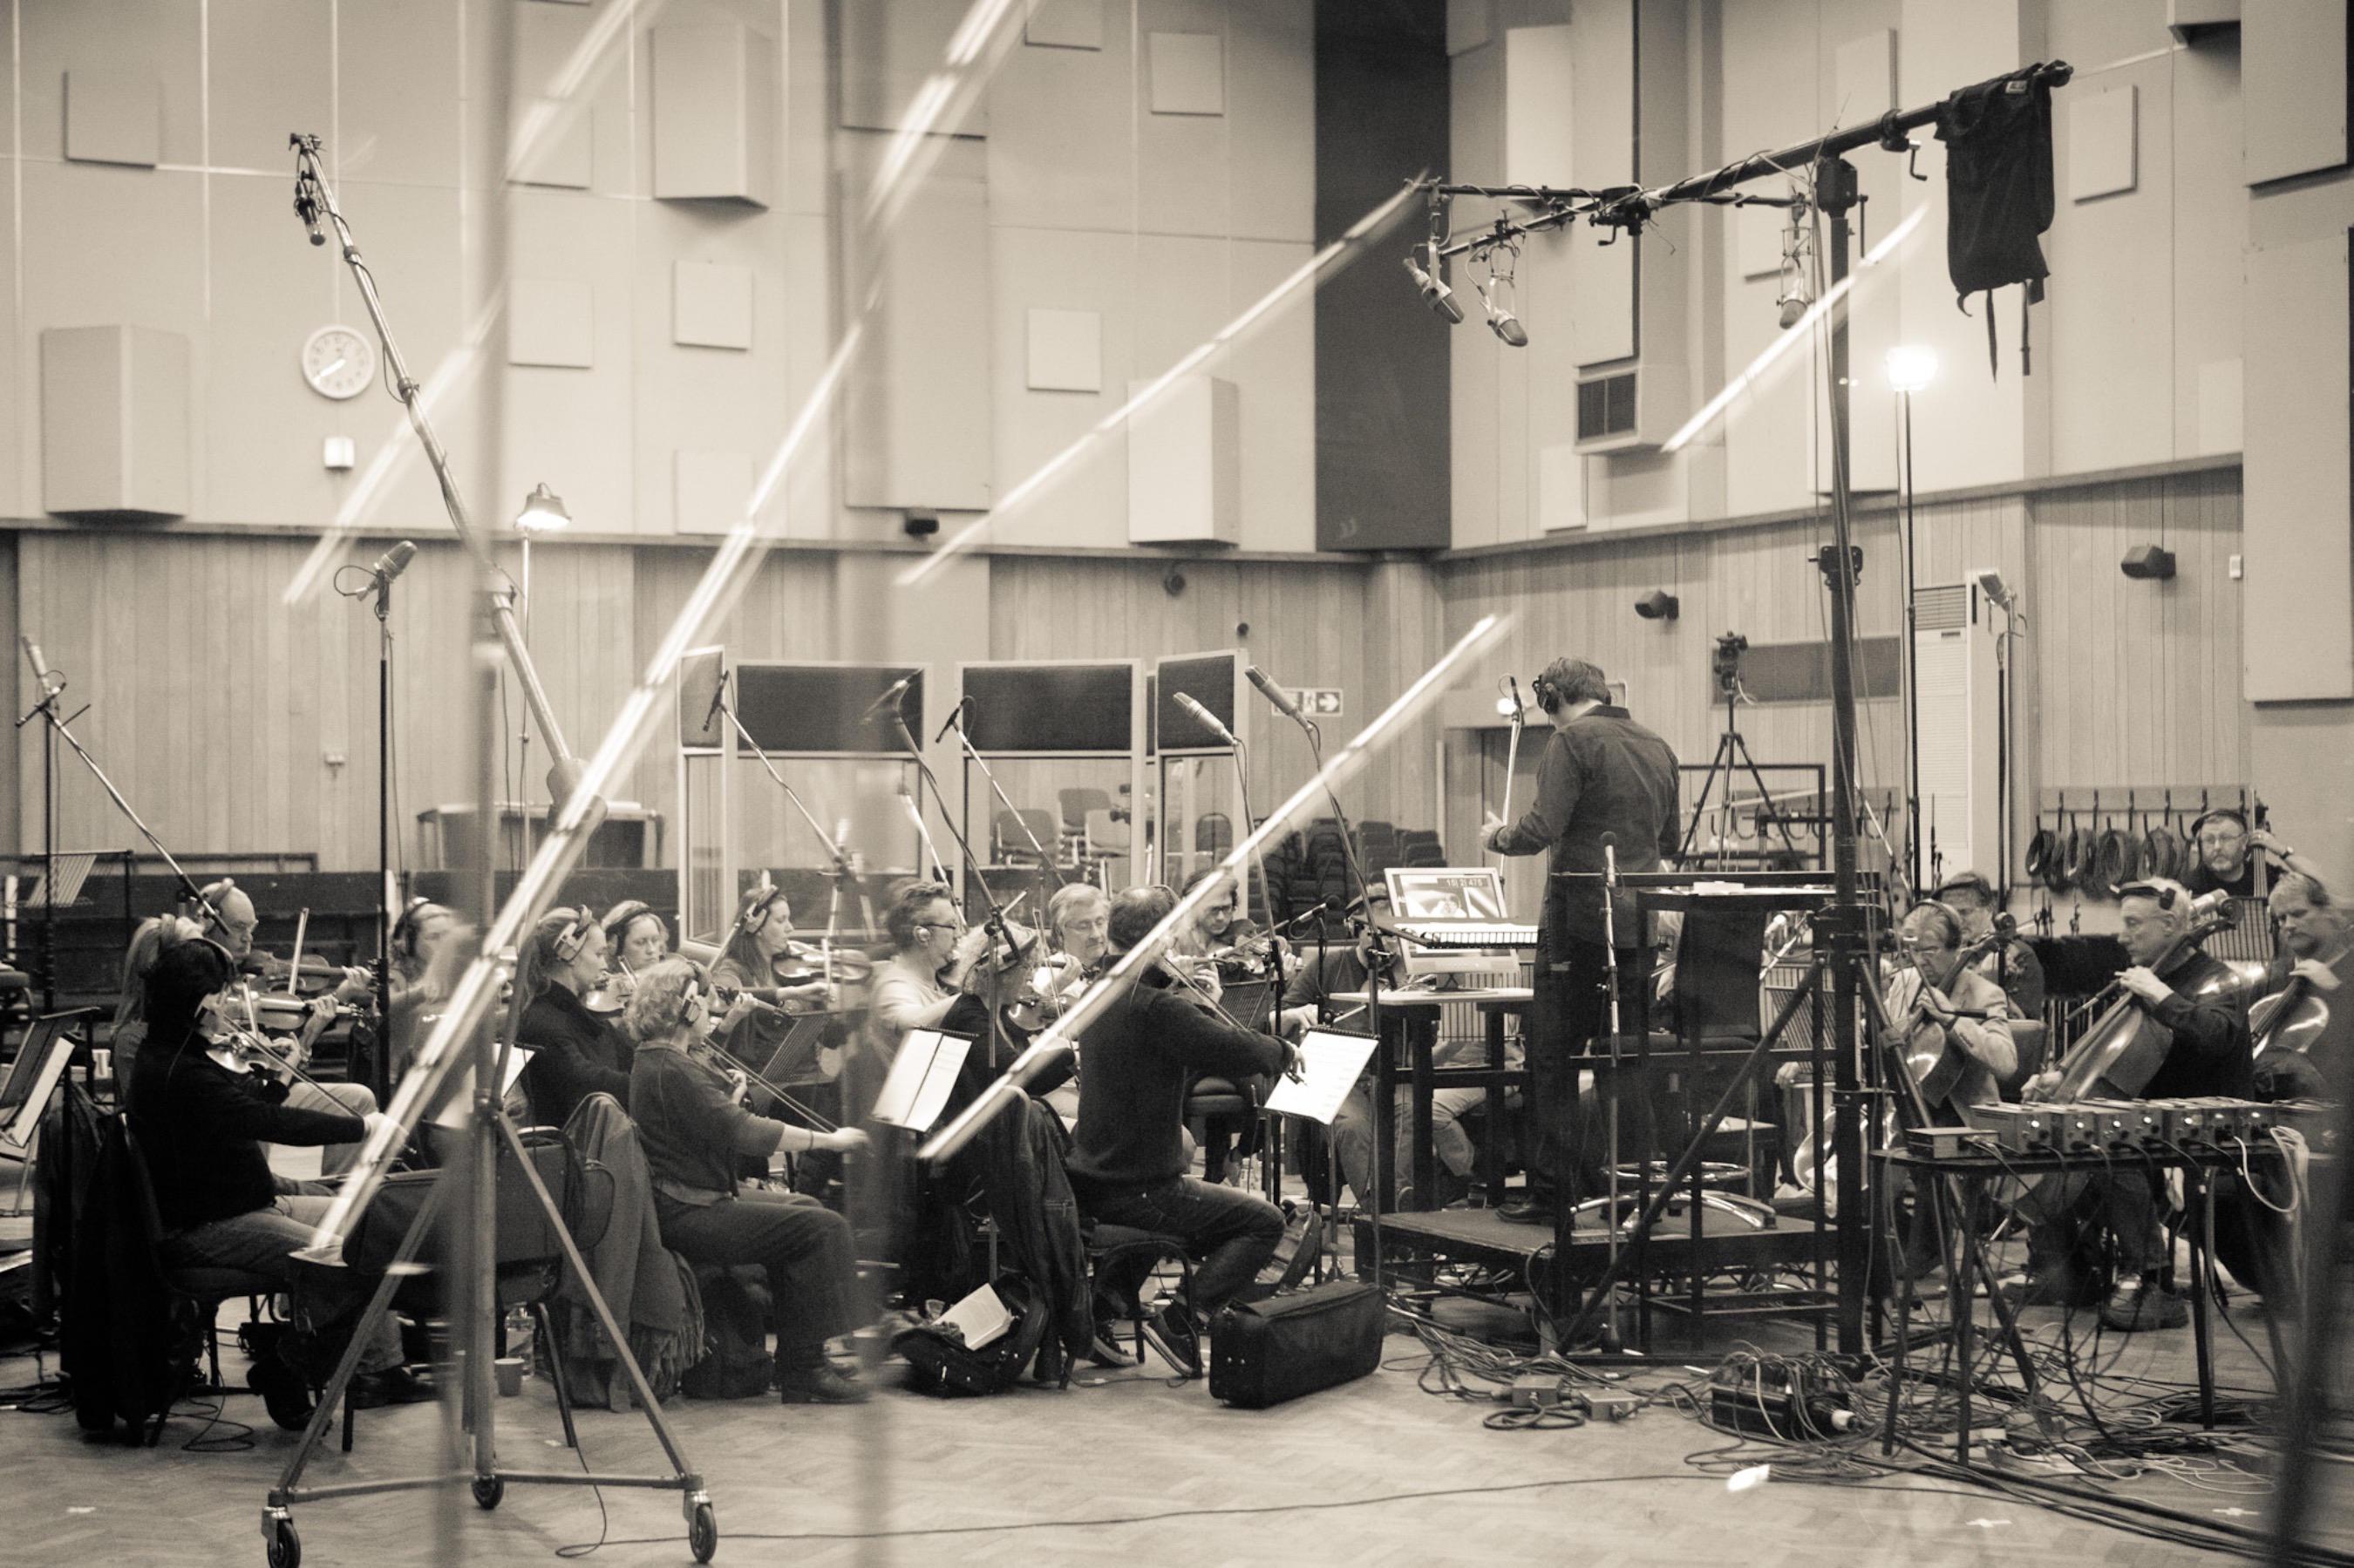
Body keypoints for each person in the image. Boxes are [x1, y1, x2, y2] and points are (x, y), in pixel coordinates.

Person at [126, 938, 430, 1427]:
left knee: (371, 1232)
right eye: (224, 995)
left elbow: (249, 1106)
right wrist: (364, 1127)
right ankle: (285, 1365)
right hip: (211, 1228)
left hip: (247, 1204)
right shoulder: (180, 1072)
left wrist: (281, 1077)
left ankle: (316, 1361)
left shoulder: (177, 1050)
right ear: (202, 1002)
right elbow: (268, 1123)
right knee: (352, 1263)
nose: (231, 1006)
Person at [1064, 886, 1297, 1374]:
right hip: (1142, 1189)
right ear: (1162, 937)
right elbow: (1235, 1051)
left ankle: (1102, 1309)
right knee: (1265, 1222)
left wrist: (1188, 995)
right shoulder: (1155, 1008)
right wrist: (1282, 1050)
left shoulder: (1100, 992)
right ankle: (1182, 1320)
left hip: (1096, 1178)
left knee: (1183, 1199)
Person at [1480, 655, 1680, 1225]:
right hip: (1638, 927)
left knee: (1552, 1060)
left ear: (1552, 699)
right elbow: (1670, 839)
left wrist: (1496, 835)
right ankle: (1639, 1190)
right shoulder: (1658, 745)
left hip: (1578, 930)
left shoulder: (1571, 742)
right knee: (1628, 1063)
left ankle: (1553, 1193)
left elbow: (1541, 828)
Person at [624, 958, 871, 1404]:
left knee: (808, 1211)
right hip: (689, 1211)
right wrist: (830, 1140)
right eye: (703, 1001)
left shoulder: (667, 1060)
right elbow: (745, 1133)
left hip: (696, 1201)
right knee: (823, 1228)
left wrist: (732, 1094)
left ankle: (801, 1360)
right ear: (685, 1011)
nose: (712, 1011)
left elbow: (714, 1119)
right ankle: (804, 1369)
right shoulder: (671, 1067)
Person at [2010, 879, 2250, 1331]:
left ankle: (2154, 1281)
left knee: (2108, 1145)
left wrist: (2161, 995)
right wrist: (2060, 1075)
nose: (2122, 937)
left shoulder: (2216, 978)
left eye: (2133, 925)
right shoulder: (2144, 977)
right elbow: (2111, 1053)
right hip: (2150, 1117)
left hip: (2207, 1123)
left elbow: (2219, 1037)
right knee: (2055, 1127)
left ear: (2171, 924)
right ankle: (2069, 1268)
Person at [514, 905, 635, 1129]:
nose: (605, 965)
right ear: (569, 953)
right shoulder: (542, 1023)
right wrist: (649, 1086)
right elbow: (584, 1082)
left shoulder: (579, 1015)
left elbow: (631, 1058)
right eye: (598, 954)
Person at [2248, 872, 2352, 1101]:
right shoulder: (2270, 980)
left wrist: (2335, 989)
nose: (2289, 925)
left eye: (2298, 914)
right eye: (2281, 919)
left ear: (2327, 911)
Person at [1930, 870, 2045, 1022]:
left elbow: (2022, 1029)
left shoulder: (2019, 956)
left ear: (1989, 909)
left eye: (1964, 912)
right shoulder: (1950, 954)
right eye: (1950, 914)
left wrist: (1987, 982)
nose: (1957, 921)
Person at [2181, 808, 2323, 900]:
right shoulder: (2191, 887)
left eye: (2225, 838)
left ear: (2244, 842)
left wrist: (2281, 850)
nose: (2217, 847)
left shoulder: (2266, 876)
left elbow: (2317, 883)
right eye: (2209, 840)